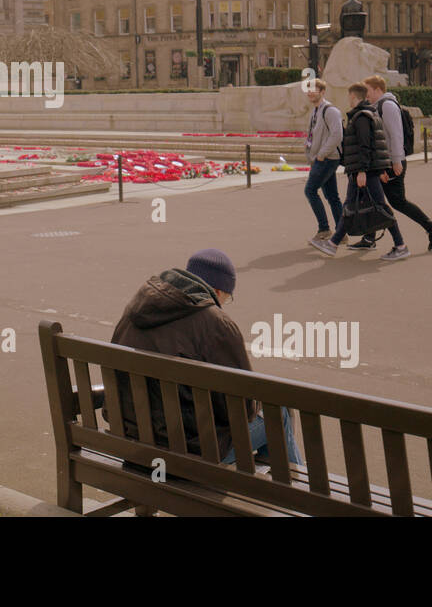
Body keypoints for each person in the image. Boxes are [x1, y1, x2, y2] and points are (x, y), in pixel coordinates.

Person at [110, 249, 302, 467]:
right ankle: (302, 498)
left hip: (131, 440)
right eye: (227, 298)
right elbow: (243, 408)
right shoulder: (215, 324)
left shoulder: (134, 310)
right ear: (218, 291)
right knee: (279, 414)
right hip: (186, 452)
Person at [310, 83, 409, 261]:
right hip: (364, 170)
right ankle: (333, 244)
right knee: (350, 206)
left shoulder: (361, 117)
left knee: (380, 207)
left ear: (354, 97)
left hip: (364, 171)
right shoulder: (368, 113)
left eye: (349, 97)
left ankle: (400, 245)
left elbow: (365, 146)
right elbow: (377, 145)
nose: (348, 100)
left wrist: (363, 171)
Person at [350, 77, 432, 252]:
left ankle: (431, 228)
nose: (366, 94)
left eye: (368, 90)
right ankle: (370, 238)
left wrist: (396, 161)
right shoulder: (379, 106)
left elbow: (395, 135)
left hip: (392, 162)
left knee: (396, 201)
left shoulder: (388, 106)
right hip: (385, 162)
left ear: (377, 89)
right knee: (374, 198)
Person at [303, 78, 344, 242]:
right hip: (321, 158)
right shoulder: (315, 111)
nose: (310, 93)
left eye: (314, 89)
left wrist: (321, 154)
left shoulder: (330, 110)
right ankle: (342, 233)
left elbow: (337, 135)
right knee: (332, 196)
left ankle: (324, 229)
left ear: (322, 92)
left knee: (310, 191)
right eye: (308, 90)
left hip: (327, 158)